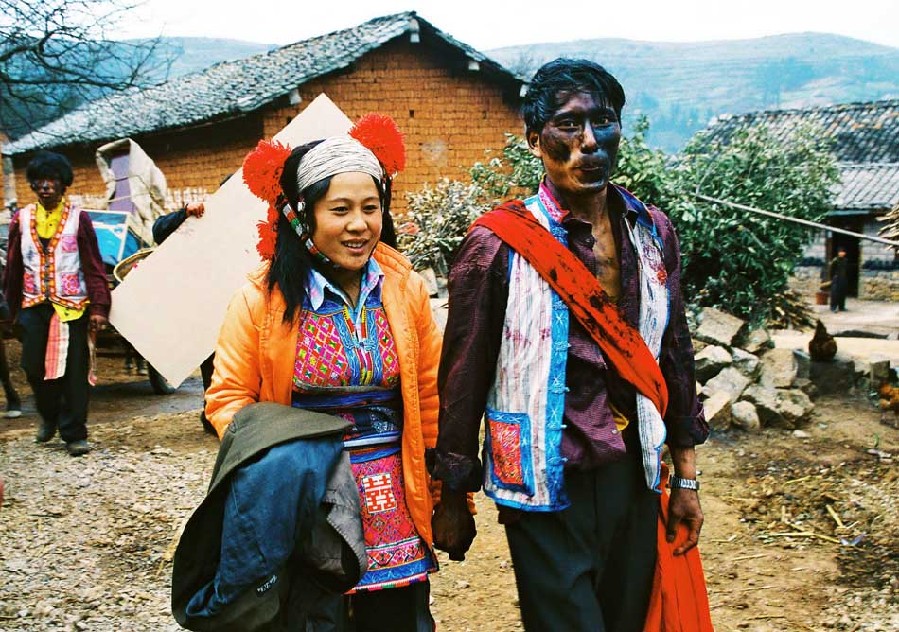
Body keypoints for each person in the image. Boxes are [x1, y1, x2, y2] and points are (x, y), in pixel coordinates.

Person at [429, 58, 711, 631]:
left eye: (602, 122)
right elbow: (463, 372)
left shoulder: (650, 232)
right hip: (543, 472)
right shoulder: (496, 245)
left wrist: (685, 478)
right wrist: (453, 493)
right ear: (536, 140)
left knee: (627, 619)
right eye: (568, 125)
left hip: (634, 473)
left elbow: (673, 354)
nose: (588, 142)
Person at [199, 114, 442, 629]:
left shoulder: (406, 291)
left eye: (371, 208)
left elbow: (429, 394)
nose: (360, 225)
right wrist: (289, 467)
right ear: (300, 216)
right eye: (340, 210)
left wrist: (448, 496)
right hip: (306, 500)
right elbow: (228, 401)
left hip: (393, 500)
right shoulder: (260, 302)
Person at [4, 151, 111, 456]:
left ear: (63, 185)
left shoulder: (79, 219)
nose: (45, 186)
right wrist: (11, 311)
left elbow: (93, 265)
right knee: (33, 368)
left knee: (74, 373)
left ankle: (74, 433)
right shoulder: (21, 220)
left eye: (51, 180)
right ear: (33, 186)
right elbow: (13, 268)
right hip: (33, 306)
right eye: (39, 181)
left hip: (72, 306)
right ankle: (49, 417)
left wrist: (99, 307)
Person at [151, 200, 217, 434]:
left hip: (250, 309)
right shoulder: (204, 217)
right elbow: (158, 231)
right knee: (215, 365)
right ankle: (213, 414)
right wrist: (184, 214)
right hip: (212, 309)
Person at [829, 246, 849, 312]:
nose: (841, 253)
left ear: (845, 253)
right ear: (838, 253)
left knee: (842, 293)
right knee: (835, 293)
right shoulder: (835, 260)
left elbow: (847, 270)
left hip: (843, 278)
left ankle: (841, 307)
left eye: (843, 252)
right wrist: (832, 277)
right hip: (836, 278)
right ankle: (833, 307)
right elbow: (831, 270)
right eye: (840, 252)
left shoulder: (846, 260)